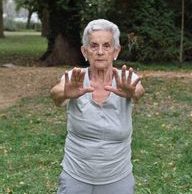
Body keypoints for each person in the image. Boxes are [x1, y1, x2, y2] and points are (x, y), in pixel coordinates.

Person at [50, 19, 145, 194]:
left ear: (116, 51)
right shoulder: (75, 77)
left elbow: (139, 91)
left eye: (107, 46)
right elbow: (55, 95)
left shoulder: (125, 79)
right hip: (75, 176)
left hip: (118, 177)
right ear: (85, 51)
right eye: (94, 46)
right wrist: (65, 92)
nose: (100, 52)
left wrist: (131, 92)